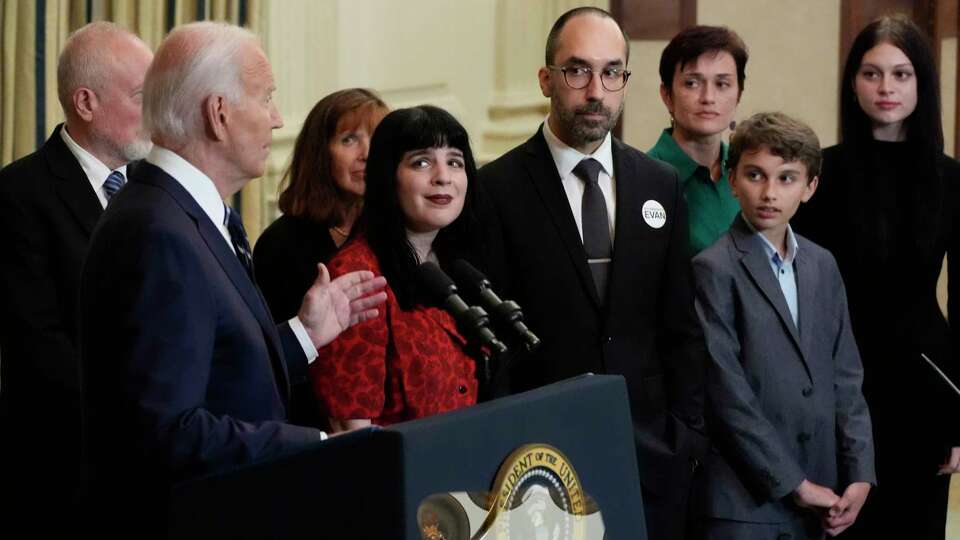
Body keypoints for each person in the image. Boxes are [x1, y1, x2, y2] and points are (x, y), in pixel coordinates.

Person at [79, 22, 386, 534]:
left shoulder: (188, 214)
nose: (277, 118)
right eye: (266, 98)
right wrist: (321, 445)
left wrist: (303, 337)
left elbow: (216, 377)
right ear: (217, 115)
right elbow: (166, 431)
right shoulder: (156, 230)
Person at [477, 7, 709, 540]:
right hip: (539, 458)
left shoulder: (660, 184)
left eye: (612, 73)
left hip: (650, 452)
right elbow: (495, 345)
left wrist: (686, 434)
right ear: (546, 79)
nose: (595, 91)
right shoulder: (497, 188)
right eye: (577, 71)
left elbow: (681, 327)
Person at [791, 15, 960, 540]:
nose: (886, 88)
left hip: (924, 390)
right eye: (872, 73)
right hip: (839, 387)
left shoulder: (951, 179)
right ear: (853, 82)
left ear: (921, 84)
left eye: (901, 74)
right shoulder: (821, 172)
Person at [692, 112, 875, 539]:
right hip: (745, 503)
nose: (769, 193)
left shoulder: (823, 265)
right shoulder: (712, 269)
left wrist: (860, 473)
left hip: (824, 499)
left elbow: (847, 377)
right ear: (732, 180)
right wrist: (794, 483)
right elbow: (726, 394)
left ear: (809, 187)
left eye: (787, 178)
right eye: (755, 175)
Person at [0, 21, 153, 532]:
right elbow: (38, 347)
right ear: (86, 103)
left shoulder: (154, 190)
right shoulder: (19, 194)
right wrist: (136, 422)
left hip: (156, 465)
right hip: (69, 473)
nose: (153, 112)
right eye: (139, 95)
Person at [312, 105, 481, 432]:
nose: (443, 177)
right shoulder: (358, 276)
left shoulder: (461, 265)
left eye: (455, 162)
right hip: (398, 476)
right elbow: (350, 430)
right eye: (422, 162)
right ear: (387, 176)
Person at [254, 88, 388, 323]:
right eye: (349, 139)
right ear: (320, 153)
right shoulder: (280, 244)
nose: (367, 153)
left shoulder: (399, 231)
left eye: (378, 139)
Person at [648, 25, 748, 255]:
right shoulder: (643, 177)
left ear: (739, 94)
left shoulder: (747, 175)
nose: (708, 98)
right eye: (692, 83)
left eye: (722, 84)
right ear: (667, 95)